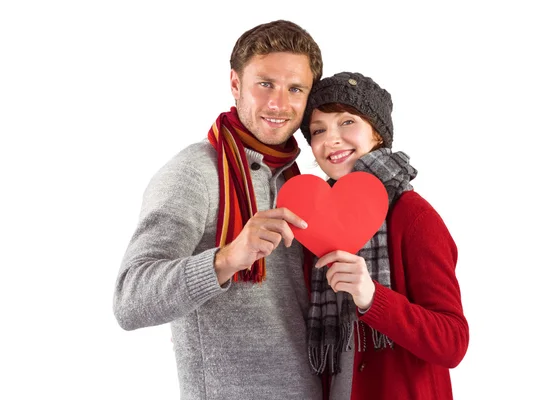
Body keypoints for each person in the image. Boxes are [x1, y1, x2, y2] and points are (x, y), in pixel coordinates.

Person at [113, 20, 324, 400]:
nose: (279, 103)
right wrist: (227, 258)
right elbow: (131, 300)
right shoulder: (194, 172)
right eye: (265, 84)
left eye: (295, 89)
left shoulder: (300, 182)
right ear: (235, 84)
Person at [299, 72, 469, 399]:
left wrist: (372, 297)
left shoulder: (413, 217)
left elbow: (453, 342)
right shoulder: (315, 223)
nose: (331, 139)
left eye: (347, 122)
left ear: (377, 133)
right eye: (319, 130)